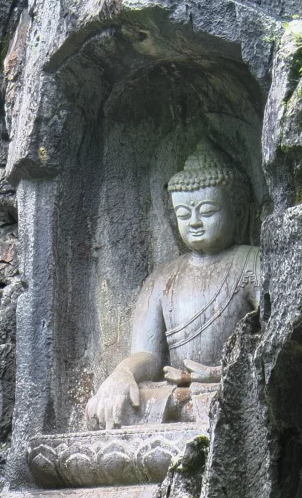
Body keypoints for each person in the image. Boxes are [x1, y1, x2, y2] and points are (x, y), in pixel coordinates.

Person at [85, 143, 260, 430]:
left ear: (238, 211)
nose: (194, 222)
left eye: (207, 210)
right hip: (174, 394)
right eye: (183, 213)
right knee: (107, 407)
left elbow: (275, 338)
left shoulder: (252, 262)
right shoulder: (162, 278)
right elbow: (150, 354)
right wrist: (123, 373)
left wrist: (224, 372)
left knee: (239, 400)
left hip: (228, 387)